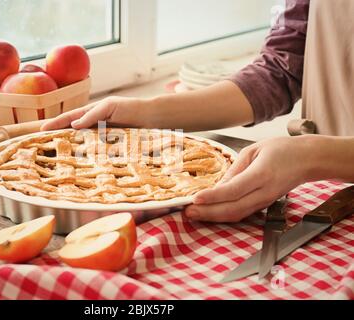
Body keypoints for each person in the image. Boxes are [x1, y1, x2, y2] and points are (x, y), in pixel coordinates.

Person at [41, 0, 354, 223]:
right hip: (326, 205)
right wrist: (148, 112)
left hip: (316, 184)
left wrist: (312, 155)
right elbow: (283, 69)